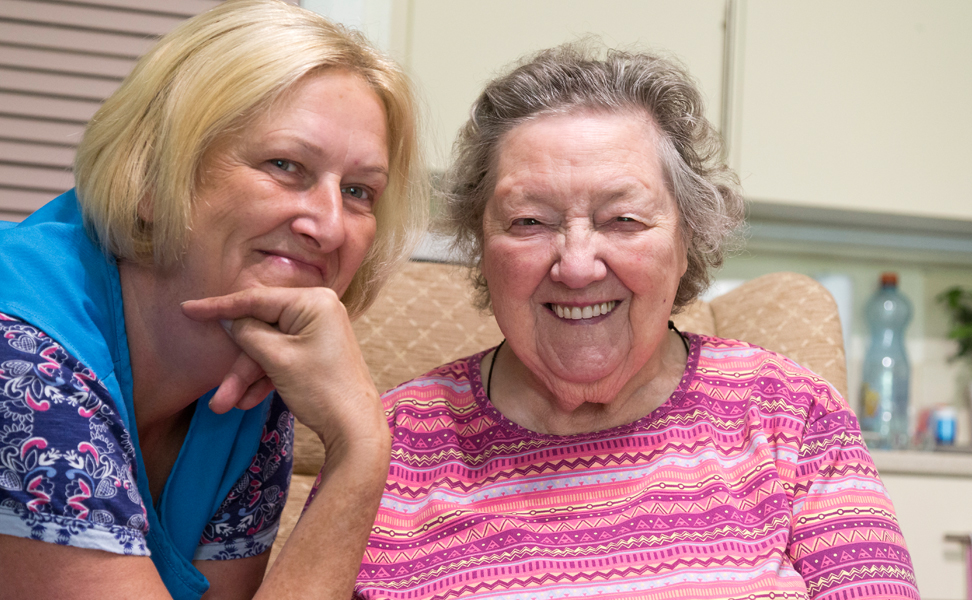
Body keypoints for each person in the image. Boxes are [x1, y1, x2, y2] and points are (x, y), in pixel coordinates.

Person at [351, 45, 920, 599]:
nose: (576, 265)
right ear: (480, 245)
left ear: (686, 237)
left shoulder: (792, 417)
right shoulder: (386, 443)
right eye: (529, 221)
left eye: (623, 219)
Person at [0, 1, 424, 598]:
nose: (332, 226)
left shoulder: (257, 379)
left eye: (360, 190)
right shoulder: (7, 365)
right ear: (156, 178)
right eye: (285, 165)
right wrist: (361, 450)